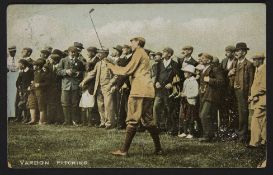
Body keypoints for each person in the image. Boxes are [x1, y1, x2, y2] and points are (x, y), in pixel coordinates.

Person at [105, 37, 162, 156]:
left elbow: (127, 70)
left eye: (132, 42)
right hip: (148, 90)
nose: (131, 44)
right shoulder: (143, 54)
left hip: (139, 90)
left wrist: (111, 66)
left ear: (138, 43)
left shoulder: (138, 52)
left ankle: (124, 150)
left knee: (132, 120)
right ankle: (159, 148)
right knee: (148, 120)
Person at [79, 49, 116, 129]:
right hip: (98, 87)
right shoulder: (98, 64)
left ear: (105, 54)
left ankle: (109, 123)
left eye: (101, 53)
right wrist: (84, 81)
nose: (98, 55)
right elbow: (92, 73)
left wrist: (111, 84)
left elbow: (116, 75)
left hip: (107, 87)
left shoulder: (110, 63)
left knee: (108, 105)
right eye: (98, 53)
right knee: (100, 105)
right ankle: (102, 122)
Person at [232, 42, 255, 143]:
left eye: (239, 51)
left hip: (243, 92)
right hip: (234, 91)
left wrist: (250, 94)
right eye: (236, 51)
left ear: (244, 52)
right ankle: (238, 133)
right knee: (237, 113)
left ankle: (243, 135)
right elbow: (231, 76)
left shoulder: (249, 64)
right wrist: (230, 74)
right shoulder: (234, 63)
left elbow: (251, 81)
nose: (236, 53)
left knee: (243, 113)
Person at [199, 53, 224, 142]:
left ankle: (207, 136)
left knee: (204, 115)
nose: (200, 59)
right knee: (207, 115)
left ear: (209, 60)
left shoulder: (215, 69)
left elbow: (221, 81)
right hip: (204, 95)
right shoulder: (203, 69)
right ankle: (211, 135)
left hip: (211, 95)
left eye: (203, 58)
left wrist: (209, 80)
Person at [153, 47, 179, 134]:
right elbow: (156, 75)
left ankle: (170, 128)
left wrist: (172, 83)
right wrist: (156, 83)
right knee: (156, 107)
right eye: (163, 51)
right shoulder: (159, 64)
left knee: (169, 108)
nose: (163, 53)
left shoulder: (175, 64)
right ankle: (157, 127)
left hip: (169, 90)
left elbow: (178, 76)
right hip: (159, 89)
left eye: (165, 52)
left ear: (169, 54)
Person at [57, 46, 85, 126]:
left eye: (75, 52)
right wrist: (66, 71)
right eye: (72, 52)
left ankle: (74, 120)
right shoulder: (63, 60)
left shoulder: (79, 62)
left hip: (75, 85)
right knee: (65, 103)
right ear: (68, 52)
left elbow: (82, 72)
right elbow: (58, 71)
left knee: (74, 103)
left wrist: (78, 73)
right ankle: (67, 120)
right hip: (65, 85)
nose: (73, 54)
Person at [109, 44, 133, 129]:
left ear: (129, 49)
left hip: (129, 85)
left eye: (125, 49)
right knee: (120, 105)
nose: (123, 50)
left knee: (129, 105)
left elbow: (129, 72)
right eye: (122, 49)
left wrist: (126, 83)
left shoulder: (132, 58)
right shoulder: (122, 59)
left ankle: (130, 123)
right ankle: (121, 123)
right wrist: (116, 84)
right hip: (120, 84)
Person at [220, 45, 238, 138]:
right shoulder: (223, 61)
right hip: (224, 89)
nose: (226, 53)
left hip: (233, 90)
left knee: (233, 110)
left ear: (233, 52)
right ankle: (224, 129)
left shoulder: (237, 61)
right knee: (224, 110)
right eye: (226, 51)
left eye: (228, 51)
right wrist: (228, 72)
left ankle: (233, 130)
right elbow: (220, 73)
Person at [248, 54, 266, 148]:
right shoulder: (258, 70)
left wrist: (253, 96)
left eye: (255, 60)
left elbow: (263, 87)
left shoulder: (264, 70)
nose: (253, 61)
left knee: (256, 120)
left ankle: (254, 143)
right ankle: (263, 141)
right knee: (263, 121)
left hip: (262, 100)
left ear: (260, 60)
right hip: (259, 99)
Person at [177, 65, 199, 139]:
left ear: (190, 73)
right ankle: (185, 132)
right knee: (184, 117)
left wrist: (186, 95)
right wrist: (181, 94)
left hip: (191, 101)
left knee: (191, 117)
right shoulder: (186, 81)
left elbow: (196, 93)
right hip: (185, 101)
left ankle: (191, 133)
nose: (184, 74)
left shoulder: (194, 82)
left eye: (186, 72)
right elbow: (184, 90)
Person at [27, 58, 49, 125]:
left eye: (35, 65)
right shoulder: (35, 72)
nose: (33, 67)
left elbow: (48, 83)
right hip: (33, 91)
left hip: (40, 92)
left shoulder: (44, 74)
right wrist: (30, 86)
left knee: (41, 106)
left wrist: (40, 84)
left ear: (38, 66)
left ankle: (41, 121)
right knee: (32, 104)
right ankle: (33, 120)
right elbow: (34, 81)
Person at [46, 49, 64, 124]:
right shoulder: (49, 66)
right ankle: (50, 119)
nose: (50, 60)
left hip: (58, 88)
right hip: (50, 88)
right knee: (50, 103)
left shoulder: (60, 67)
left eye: (51, 59)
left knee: (58, 104)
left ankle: (58, 119)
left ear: (55, 60)